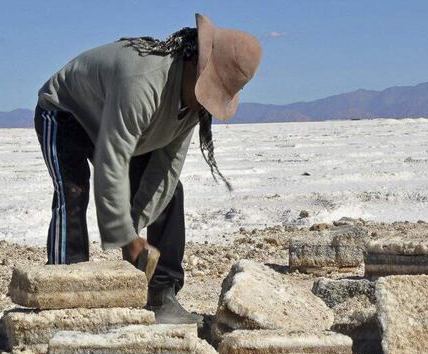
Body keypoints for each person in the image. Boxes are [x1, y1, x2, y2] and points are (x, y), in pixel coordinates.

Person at [34, 13, 261, 323]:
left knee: (171, 194)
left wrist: (135, 230)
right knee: (73, 192)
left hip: (121, 127)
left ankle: (161, 295)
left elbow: (167, 169)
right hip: (65, 111)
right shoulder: (143, 83)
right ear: (194, 63)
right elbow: (111, 163)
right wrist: (127, 237)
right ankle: (64, 293)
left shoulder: (194, 107)